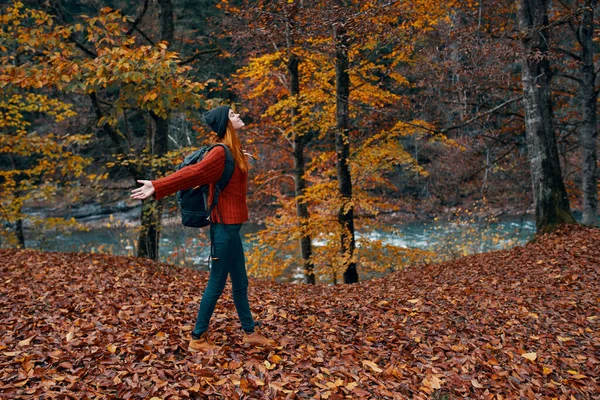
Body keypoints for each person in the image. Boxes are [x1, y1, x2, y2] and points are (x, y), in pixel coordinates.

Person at [130, 105, 275, 352]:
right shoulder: (220, 153)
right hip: (223, 229)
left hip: (232, 228)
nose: (238, 115)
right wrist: (158, 185)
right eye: (232, 114)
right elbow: (193, 173)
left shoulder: (232, 150)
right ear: (225, 123)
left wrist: (240, 156)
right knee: (217, 283)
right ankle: (197, 338)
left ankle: (250, 332)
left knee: (240, 281)